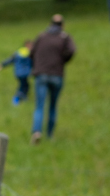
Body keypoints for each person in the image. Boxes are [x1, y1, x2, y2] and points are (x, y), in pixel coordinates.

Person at [28, 14, 76, 144]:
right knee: (53, 106)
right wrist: (62, 60)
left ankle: (37, 132)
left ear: (50, 24)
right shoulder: (65, 37)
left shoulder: (42, 36)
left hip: (41, 74)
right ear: (62, 25)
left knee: (39, 106)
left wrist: (37, 64)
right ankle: (50, 135)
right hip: (56, 75)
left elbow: (31, 53)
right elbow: (72, 51)